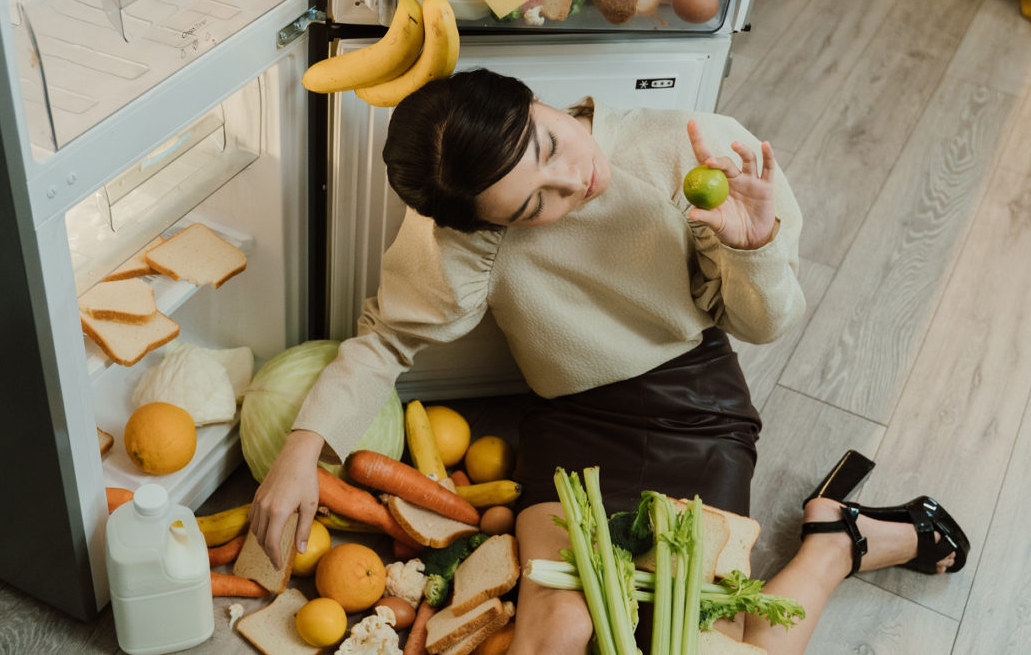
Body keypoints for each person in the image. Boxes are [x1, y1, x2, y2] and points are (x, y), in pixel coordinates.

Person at [248, 69, 967, 654]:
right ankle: (838, 535)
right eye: (533, 206)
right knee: (552, 635)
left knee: (700, 641)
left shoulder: (689, 148)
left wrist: (752, 247)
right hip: (574, 425)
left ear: (535, 100)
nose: (574, 182)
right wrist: (301, 451)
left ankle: (835, 543)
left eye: (550, 145)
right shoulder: (463, 235)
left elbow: (764, 324)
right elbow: (385, 340)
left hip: (695, 406)